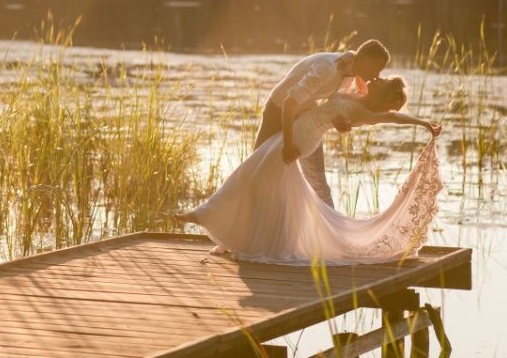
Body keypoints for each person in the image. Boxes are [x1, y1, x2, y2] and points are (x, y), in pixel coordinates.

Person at [176, 77, 443, 264]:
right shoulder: (360, 94)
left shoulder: (366, 113)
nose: (377, 78)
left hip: (303, 139)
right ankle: (236, 234)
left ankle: (205, 214)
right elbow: (355, 74)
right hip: (293, 132)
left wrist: (424, 124)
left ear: (382, 95)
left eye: (382, 81)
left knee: (252, 174)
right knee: (257, 177)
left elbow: (394, 117)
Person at [254, 40, 391, 209]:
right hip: (278, 110)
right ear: (365, 60)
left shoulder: (351, 71)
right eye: (376, 69)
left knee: (317, 181)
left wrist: (338, 121)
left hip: (306, 117)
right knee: (255, 168)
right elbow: (289, 103)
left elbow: (333, 104)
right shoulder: (327, 69)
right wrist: (288, 145)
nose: (377, 75)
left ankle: (335, 231)